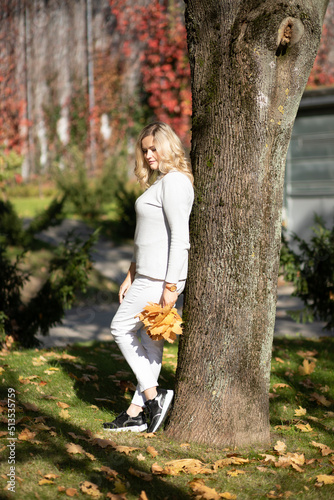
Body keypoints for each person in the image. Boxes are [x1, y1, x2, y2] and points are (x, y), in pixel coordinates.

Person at [103, 122, 194, 433]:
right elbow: (148, 235)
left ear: (168, 146)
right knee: (150, 341)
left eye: (154, 148)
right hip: (146, 272)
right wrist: (131, 271)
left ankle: (155, 396)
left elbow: (181, 237)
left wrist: (171, 286)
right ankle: (137, 413)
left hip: (159, 278)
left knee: (120, 328)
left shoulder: (175, 183)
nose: (149, 154)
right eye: (145, 150)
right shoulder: (162, 182)